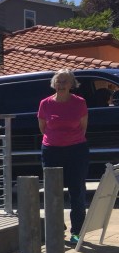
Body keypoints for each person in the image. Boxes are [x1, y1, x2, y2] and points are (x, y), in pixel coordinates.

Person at [37, 69, 89, 243]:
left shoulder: (80, 102)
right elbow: (43, 128)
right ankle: (57, 228)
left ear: (72, 84)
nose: (61, 84)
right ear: (54, 83)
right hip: (51, 151)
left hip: (76, 151)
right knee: (53, 191)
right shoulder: (45, 103)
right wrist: (57, 141)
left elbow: (83, 127)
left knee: (77, 191)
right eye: (58, 81)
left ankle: (77, 231)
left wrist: (69, 141)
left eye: (65, 81)